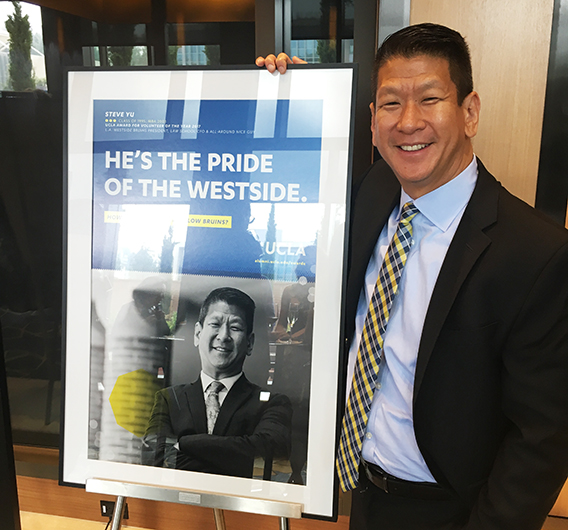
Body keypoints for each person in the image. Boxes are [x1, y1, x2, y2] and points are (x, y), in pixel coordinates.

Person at [257, 23, 568, 530]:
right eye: (391, 104)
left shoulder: (536, 253)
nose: (408, 123)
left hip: (453, 510)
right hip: (364, 494)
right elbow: (304, 161)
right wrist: (294, 94)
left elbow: (543, 437)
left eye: (429, 98)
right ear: (373, 119)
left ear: (469, 112)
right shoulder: (373, 189)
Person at [142, 287, 292, 478]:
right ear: (197, 334)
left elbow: (271, 457)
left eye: (236, 327)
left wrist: (185, 444)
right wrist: (234, 455)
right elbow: (153, 459)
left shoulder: (273, 404)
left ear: (250, 343)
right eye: (215, 324)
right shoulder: (169, 399)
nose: (224, 336)